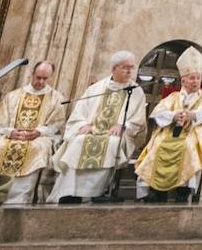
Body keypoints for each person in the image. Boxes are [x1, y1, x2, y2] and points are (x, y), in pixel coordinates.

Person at [49, 50, 148, 204]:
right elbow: (80, 111)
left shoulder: (136, 91)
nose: (129, 71)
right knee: (78, 141)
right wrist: (84, 124)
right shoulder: (96, 89)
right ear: (114, 69)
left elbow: (138, 119)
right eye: (125, 67)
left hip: (114, 134)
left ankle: (99, 192)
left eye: (131, 68)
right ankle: (70, 192)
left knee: (112, 144)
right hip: (92, 130)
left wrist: (123, 125)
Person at [0, 60, 65, 206]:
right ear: (31, 74)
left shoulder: (56, 98)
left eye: (45, 79)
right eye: (38, 77)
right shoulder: (13, 96)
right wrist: (10, 132)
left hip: (38, 138)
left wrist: (38, 132)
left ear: (51, 77)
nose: (40, 81)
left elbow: (57, 125)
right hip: (11, 135)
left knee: (37, 150)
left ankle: (19, 199)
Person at [135, 46, 202, 202]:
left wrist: (193, 115)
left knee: (188, 146)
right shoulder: (172, 97)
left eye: (198, 78)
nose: (196, 81)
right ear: (183, 80)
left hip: (192, 133)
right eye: (192, 78)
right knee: (158, 145)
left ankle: (183, 190)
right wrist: (173, 116)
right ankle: (156, 190)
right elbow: (157, 113)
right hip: (169, 132)